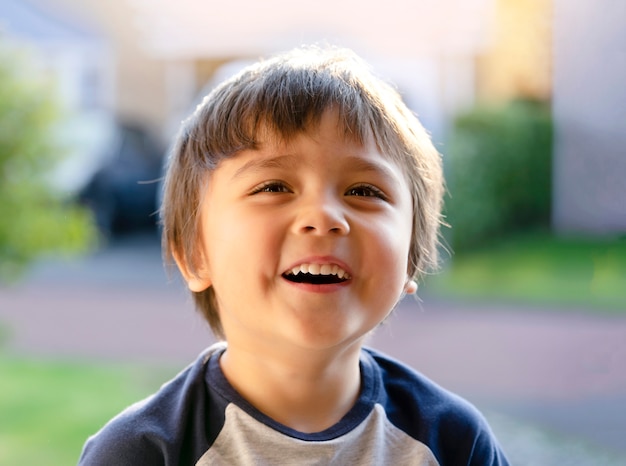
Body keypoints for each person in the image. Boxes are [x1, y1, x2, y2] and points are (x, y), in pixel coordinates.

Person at [79, 45, 509, 465]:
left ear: (410, 260)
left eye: (364, 191)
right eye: (273, 187)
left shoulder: (454, 441)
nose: (323, 217)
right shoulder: (140, 452)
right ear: (195, 255)